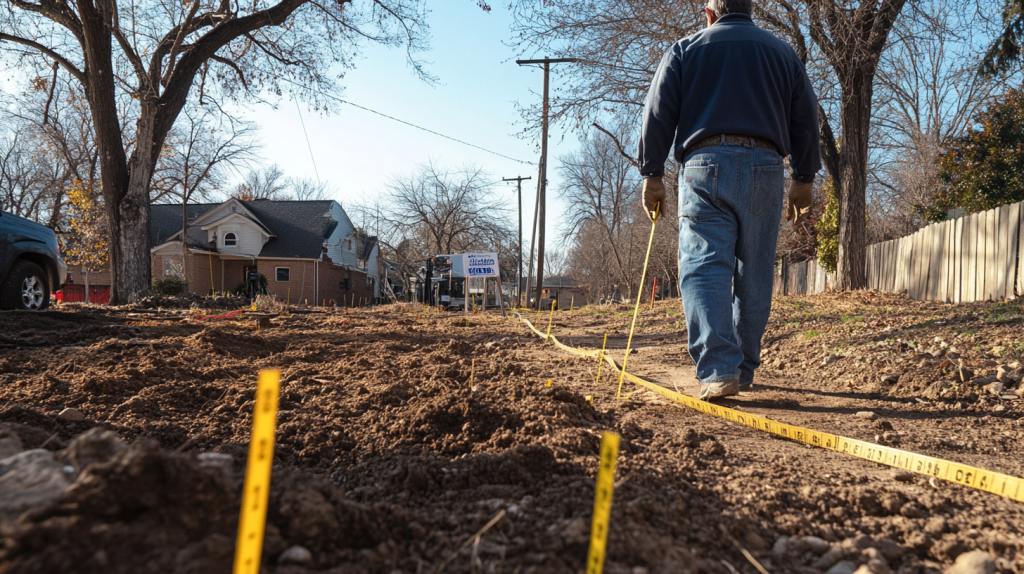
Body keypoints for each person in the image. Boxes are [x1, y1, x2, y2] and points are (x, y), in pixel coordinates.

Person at [638, 0, 820, 400]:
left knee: (704, 267)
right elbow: (807, 116)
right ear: (750, 11)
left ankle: (720, 370)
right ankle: (743, 368)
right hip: (767, 168)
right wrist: (804, 177)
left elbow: (657, 113)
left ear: (709, 13)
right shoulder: (782, 52)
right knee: (755, 271)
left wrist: (652, 174)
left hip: (705, 164)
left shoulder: (685, 49)